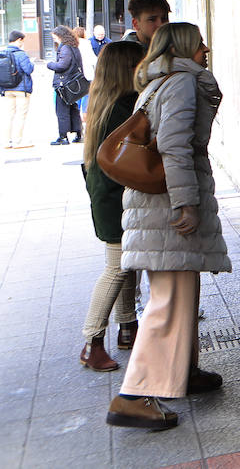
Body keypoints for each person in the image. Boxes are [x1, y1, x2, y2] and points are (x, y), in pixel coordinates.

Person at [106, 22, 228, 431]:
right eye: (199, 42)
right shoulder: (179, 84)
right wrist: (187, 204)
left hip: (157, 208)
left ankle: (180, 371)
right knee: (169, 300)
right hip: (167, 210)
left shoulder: (162, 82)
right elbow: (174, 147)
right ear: (182, 47)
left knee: (181, 295)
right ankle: (134, 395)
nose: (206, 47)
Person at [78, 41, 146, 372]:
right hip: (114, 197)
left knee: (127, 264)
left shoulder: (104, 103)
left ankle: (127, 328)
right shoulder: (124, 106)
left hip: (106, 195)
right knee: (117, 267)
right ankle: (92, 342)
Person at [47, 25, 83, 145]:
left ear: (61, 36)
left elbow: (62, 65)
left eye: (55, 37)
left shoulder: (65, 48)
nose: (55, 40)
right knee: (73, 109)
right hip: (73, 84)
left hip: (64, 84)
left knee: (62, 111)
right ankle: (78, 134)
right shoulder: (74, 46)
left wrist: (50, 64)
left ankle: (63, 137)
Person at [0, 29, 34, 149]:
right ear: (19, 40)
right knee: (20, 115)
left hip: (7, 89)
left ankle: (6, 141)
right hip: (21, 89)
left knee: (9, 115)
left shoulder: (2, 53)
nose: (22, 44)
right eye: (22, 41)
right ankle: (17, 141)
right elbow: (28, 69)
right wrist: (31, 63)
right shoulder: (21, 54)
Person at [74, 24, 98, 119]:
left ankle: (76, 115)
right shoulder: (86, 43)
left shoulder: (72, 44)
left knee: (77, 96)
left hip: (76, 75)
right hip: (87, 73)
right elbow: (93, 59)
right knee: (86, 95)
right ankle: (85, 115)